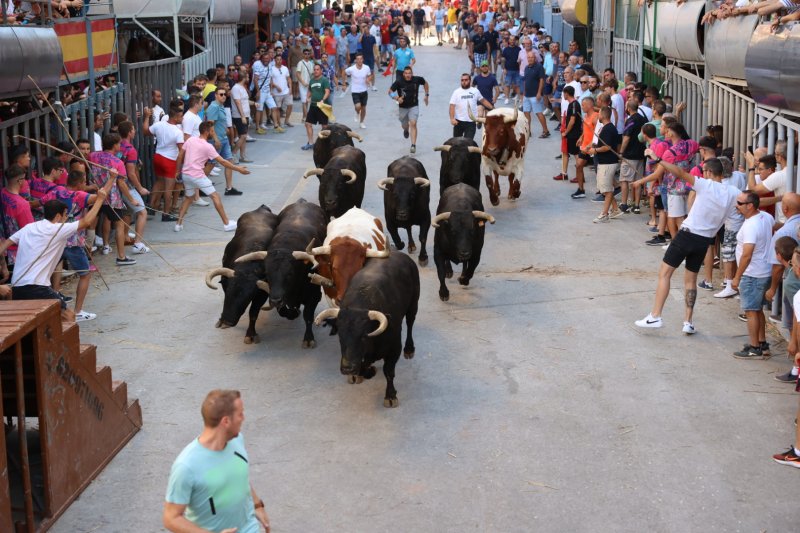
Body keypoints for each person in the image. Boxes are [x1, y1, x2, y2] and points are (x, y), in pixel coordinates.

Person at [635, 157, 740, 334]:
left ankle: (655, 315)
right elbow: (754, 199)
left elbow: (680, 173)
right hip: (704, 241)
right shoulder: (733, 192)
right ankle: (688, 322)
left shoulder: (706, 185)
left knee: (665, 274)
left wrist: (659, 160)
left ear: (708, 172)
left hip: (687, 235)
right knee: (691, 280)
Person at [0, 181, 112, 322]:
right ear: (59, 216)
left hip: (17, 286)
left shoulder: (29, 227)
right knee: (69, 316)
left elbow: (4, 246)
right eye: (65, 215)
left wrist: (3, 265)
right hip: (37, 286)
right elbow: (86, 222)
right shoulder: (58, 228)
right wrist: (100, 199)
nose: (66, 218)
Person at [163, 389, 270, 533]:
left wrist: (257, 505)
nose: (243, 418)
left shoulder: (237, 440)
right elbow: (171, 518)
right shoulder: (186, 466)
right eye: (240, 414)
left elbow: (238, 475)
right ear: (225, 421)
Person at [174, 122, 250, 233]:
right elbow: (223, 161)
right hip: (197, 176)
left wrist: (177, 171)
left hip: (186, 175)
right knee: (215, 196)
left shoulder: (190, 140)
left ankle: (178, 224)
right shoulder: (208, 146)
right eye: (212, 131)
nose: (213, 133)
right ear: (207, 131)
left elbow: (180, 155)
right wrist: (238, 169)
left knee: (188, 198)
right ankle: (227, 223)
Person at [730, 190, 775, 358]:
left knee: (750, 311)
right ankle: (761, 343)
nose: (737, 205)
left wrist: (736, 277)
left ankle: (754, 347)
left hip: (752, 274)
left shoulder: (750, 225)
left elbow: (747, 254)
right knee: (757, 310)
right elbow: (774, 227)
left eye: (740, 203)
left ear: (750, 205)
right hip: (763, 271)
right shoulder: (765, 217)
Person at [89, 134, 138, 266]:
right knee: (119, 225)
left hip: (95, 194)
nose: (120, 146)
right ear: (115, 145)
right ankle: (121, 257)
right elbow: (121, 184)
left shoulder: (93, 156)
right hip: (111, 197)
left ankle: (88, 257)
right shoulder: (118, 162)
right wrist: (132, 199)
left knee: (91, 224)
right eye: (119, 144)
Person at [143, 106, 184, 222]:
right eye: (181, 116)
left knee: (159, 181)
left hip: (158, 157)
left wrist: (146, 117)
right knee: (168, 189)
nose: (182, 118)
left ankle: (151, 206)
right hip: (170, 160)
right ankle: (166, 214)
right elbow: (181, 151)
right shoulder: (178, 131)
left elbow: (145, 131)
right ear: (175, 117)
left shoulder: (159, 125)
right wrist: (179, 167)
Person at [118, 121, 151, 253]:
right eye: (133, 129)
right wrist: (140, 188)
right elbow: (131, 173)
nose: (135, 131)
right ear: (130, 132)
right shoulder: (130, 150)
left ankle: (125, 236)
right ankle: (138, 244)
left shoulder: (116, 145)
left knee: (127, 212)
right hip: (127, 185)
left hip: (115, 185)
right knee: (142, 212)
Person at [205, 88, 242, 196]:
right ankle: (198, 187)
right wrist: (216, 139)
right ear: (216, 95)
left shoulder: (220, 106)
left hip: (223, 139)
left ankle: (229, 188)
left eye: (225, 94)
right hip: (217, 140)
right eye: (221, 94)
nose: (224, 96)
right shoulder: (214, 107)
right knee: (211, 164)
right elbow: (210, 125)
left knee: (229, 162)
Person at [587, 106, 620, 223]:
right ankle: (615, 208)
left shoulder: (608, 129)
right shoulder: (607, 128)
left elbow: (607, 147)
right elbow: (603, 144)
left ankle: (604, 214)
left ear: (603, 115)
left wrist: (595, 151)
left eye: (599, 114)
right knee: (605, 187)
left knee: (606, 189)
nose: (597, 116)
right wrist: (593, 147)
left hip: (608, 162)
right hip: (606, 162)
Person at [389, 66, 429, 154]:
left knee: (413, 124)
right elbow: (390, 91)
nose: (408, 75)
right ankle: (406, 130)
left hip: (414, 106)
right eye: (406, 73)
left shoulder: (417, 79)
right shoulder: (399, 81)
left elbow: (425, 83)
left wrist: (426, 95)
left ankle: (413, 145)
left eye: (409, 73)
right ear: (403, 74)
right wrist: (396, 98)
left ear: (412, 73)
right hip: (403, 107)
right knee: (405, 125)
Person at [449, 72, 493, 140]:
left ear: (470, 80)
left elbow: (483, 101)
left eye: (466, 80)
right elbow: (452, 106)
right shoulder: (456, 92)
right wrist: (452, 119)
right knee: (457, 143)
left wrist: (493, 108)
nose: (464, 82)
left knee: (468, 143)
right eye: (462, 80)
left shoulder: (475, 91)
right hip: (458, 122)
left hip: (471, 122)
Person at [301, 63, 332, 151]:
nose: (316, 71)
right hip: (313, 106)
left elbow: (327, 92)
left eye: (317, 69)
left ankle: (323, 144)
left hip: (322, 107)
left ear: (321, 71)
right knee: (307, 124)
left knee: (325, 127)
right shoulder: (312, 81)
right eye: (314, 69)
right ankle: (311, 143)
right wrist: (307, 97)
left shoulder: (324, 80)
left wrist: (323, 99)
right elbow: (310, 91)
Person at [521, 50, 548, 138]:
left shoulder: (539, 67)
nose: (530, 59)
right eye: (528, 57)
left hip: (535, 95)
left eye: (532, 57)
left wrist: (539, 93)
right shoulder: (526, 67)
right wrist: (524, 93)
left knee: (538, 113)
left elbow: (541, 80)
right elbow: (525, 81)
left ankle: (545, 131)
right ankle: (528, 131)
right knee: (526, 113)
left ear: (535, 58)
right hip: (527, 95)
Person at [230, 70, 254, 164]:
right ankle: (233, 153)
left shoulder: (242, 87)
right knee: (243, 136)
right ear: (244, 78)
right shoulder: (236, 88)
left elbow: (244, 101)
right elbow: (238, 102)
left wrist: (254, 103)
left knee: (243, 136)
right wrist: (242, 116)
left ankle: (243, 156)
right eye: (247, 77)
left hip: (245, 115)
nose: (248, 78)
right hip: (239, 116)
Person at [345, 53, 373, 129]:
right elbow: (343, 72)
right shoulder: (351, 69)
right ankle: (357, 112)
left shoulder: (366, 67)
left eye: (361, 59)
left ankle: (362, 122)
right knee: (358, 106)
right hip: (355, 91)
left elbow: (370, 75)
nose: (359, 60)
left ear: (363, 59)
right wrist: (344, 84)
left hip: (364, 90)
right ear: (355, 60)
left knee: (363, 108)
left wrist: (368, 79)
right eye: (358, 59)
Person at [269, 54, 293, 130]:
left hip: (286, 91)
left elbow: (289, 79)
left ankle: (286, 120)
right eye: (277, 59)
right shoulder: (271, 69)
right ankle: (279, 123)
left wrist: (290, 88)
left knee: (290, 105)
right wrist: (275, 86)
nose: (279, 61)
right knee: (278, 108)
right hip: (276, 92)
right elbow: (270, 81)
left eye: (280, 59)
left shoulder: (285, 68)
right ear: (275, 60)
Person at [471, 60, 498, 126]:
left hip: (489, 101)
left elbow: (497, 90)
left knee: (488, 119)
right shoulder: (477, 78)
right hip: (480, 100)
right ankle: (479, 122)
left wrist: (495, 98)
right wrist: (472, 97)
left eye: (486, 66)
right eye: (483, 66)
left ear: (488, 67)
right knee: (480, 114)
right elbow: (471, 88)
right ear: (480, 68)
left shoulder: (492, 78)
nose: (484, 67)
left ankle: (486, 131)